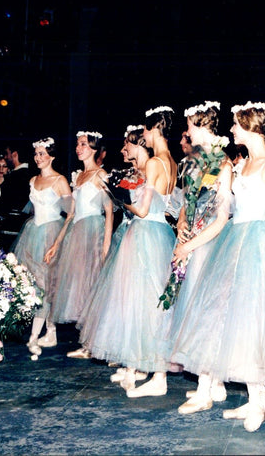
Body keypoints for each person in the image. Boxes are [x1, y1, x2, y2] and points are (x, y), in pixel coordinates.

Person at [171, 101, 265, 433]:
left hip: (260, 243)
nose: (232, 129)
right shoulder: (244, 165)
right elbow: (226, 210)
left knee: (253, 320)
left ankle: (259, 403)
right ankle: (252, 400)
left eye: (237, 124)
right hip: (236, 240)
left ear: (250, 126)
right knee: (232, 318)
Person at [81, 107, 178, 397]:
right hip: (161, 233)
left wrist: (115, 193)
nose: (143, 136)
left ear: (155, 130)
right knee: (152, 303)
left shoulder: (154, 163)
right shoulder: (171, 161)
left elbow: (143, 209)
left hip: (146, 233)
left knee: (144, 303)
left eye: (146, 131)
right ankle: (147, 369)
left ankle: (156, 375)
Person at [161, 101, 234, 414]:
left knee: (206, 314)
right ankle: (212, 381)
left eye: (189, 125)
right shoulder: (193, 160)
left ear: (201, 126)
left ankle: (205, 390)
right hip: (192, 240)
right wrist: (181, 227)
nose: (186, 131)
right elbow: (187, 202)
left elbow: (220, 217)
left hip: (210, 244)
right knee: (194, 309)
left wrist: (190, 246)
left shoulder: (221, 162)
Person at [44, 130, 113, 359]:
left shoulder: (100, 174)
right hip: (77, 231)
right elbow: (71, 214)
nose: (78, 148)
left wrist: (106, 243)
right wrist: (57, 242)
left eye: (83, 144)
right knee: (80, 286)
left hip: (93, 231)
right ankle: (87, 344)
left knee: (92, 284)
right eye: (77, 144)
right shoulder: (79, 176)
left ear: (93, 148)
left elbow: (109, 210)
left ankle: (94, 344)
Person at [11, 138, 73, 356]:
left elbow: (71, 214)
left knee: (47, 284)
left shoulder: (60, 180)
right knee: (38, 284)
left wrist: (57, 242)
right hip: (32, 234)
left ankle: (36, 336)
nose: (38, 157)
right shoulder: (33, 180)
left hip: (51, 234)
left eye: (42, 153)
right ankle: (50, 330)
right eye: (36, 153)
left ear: (52, 156)